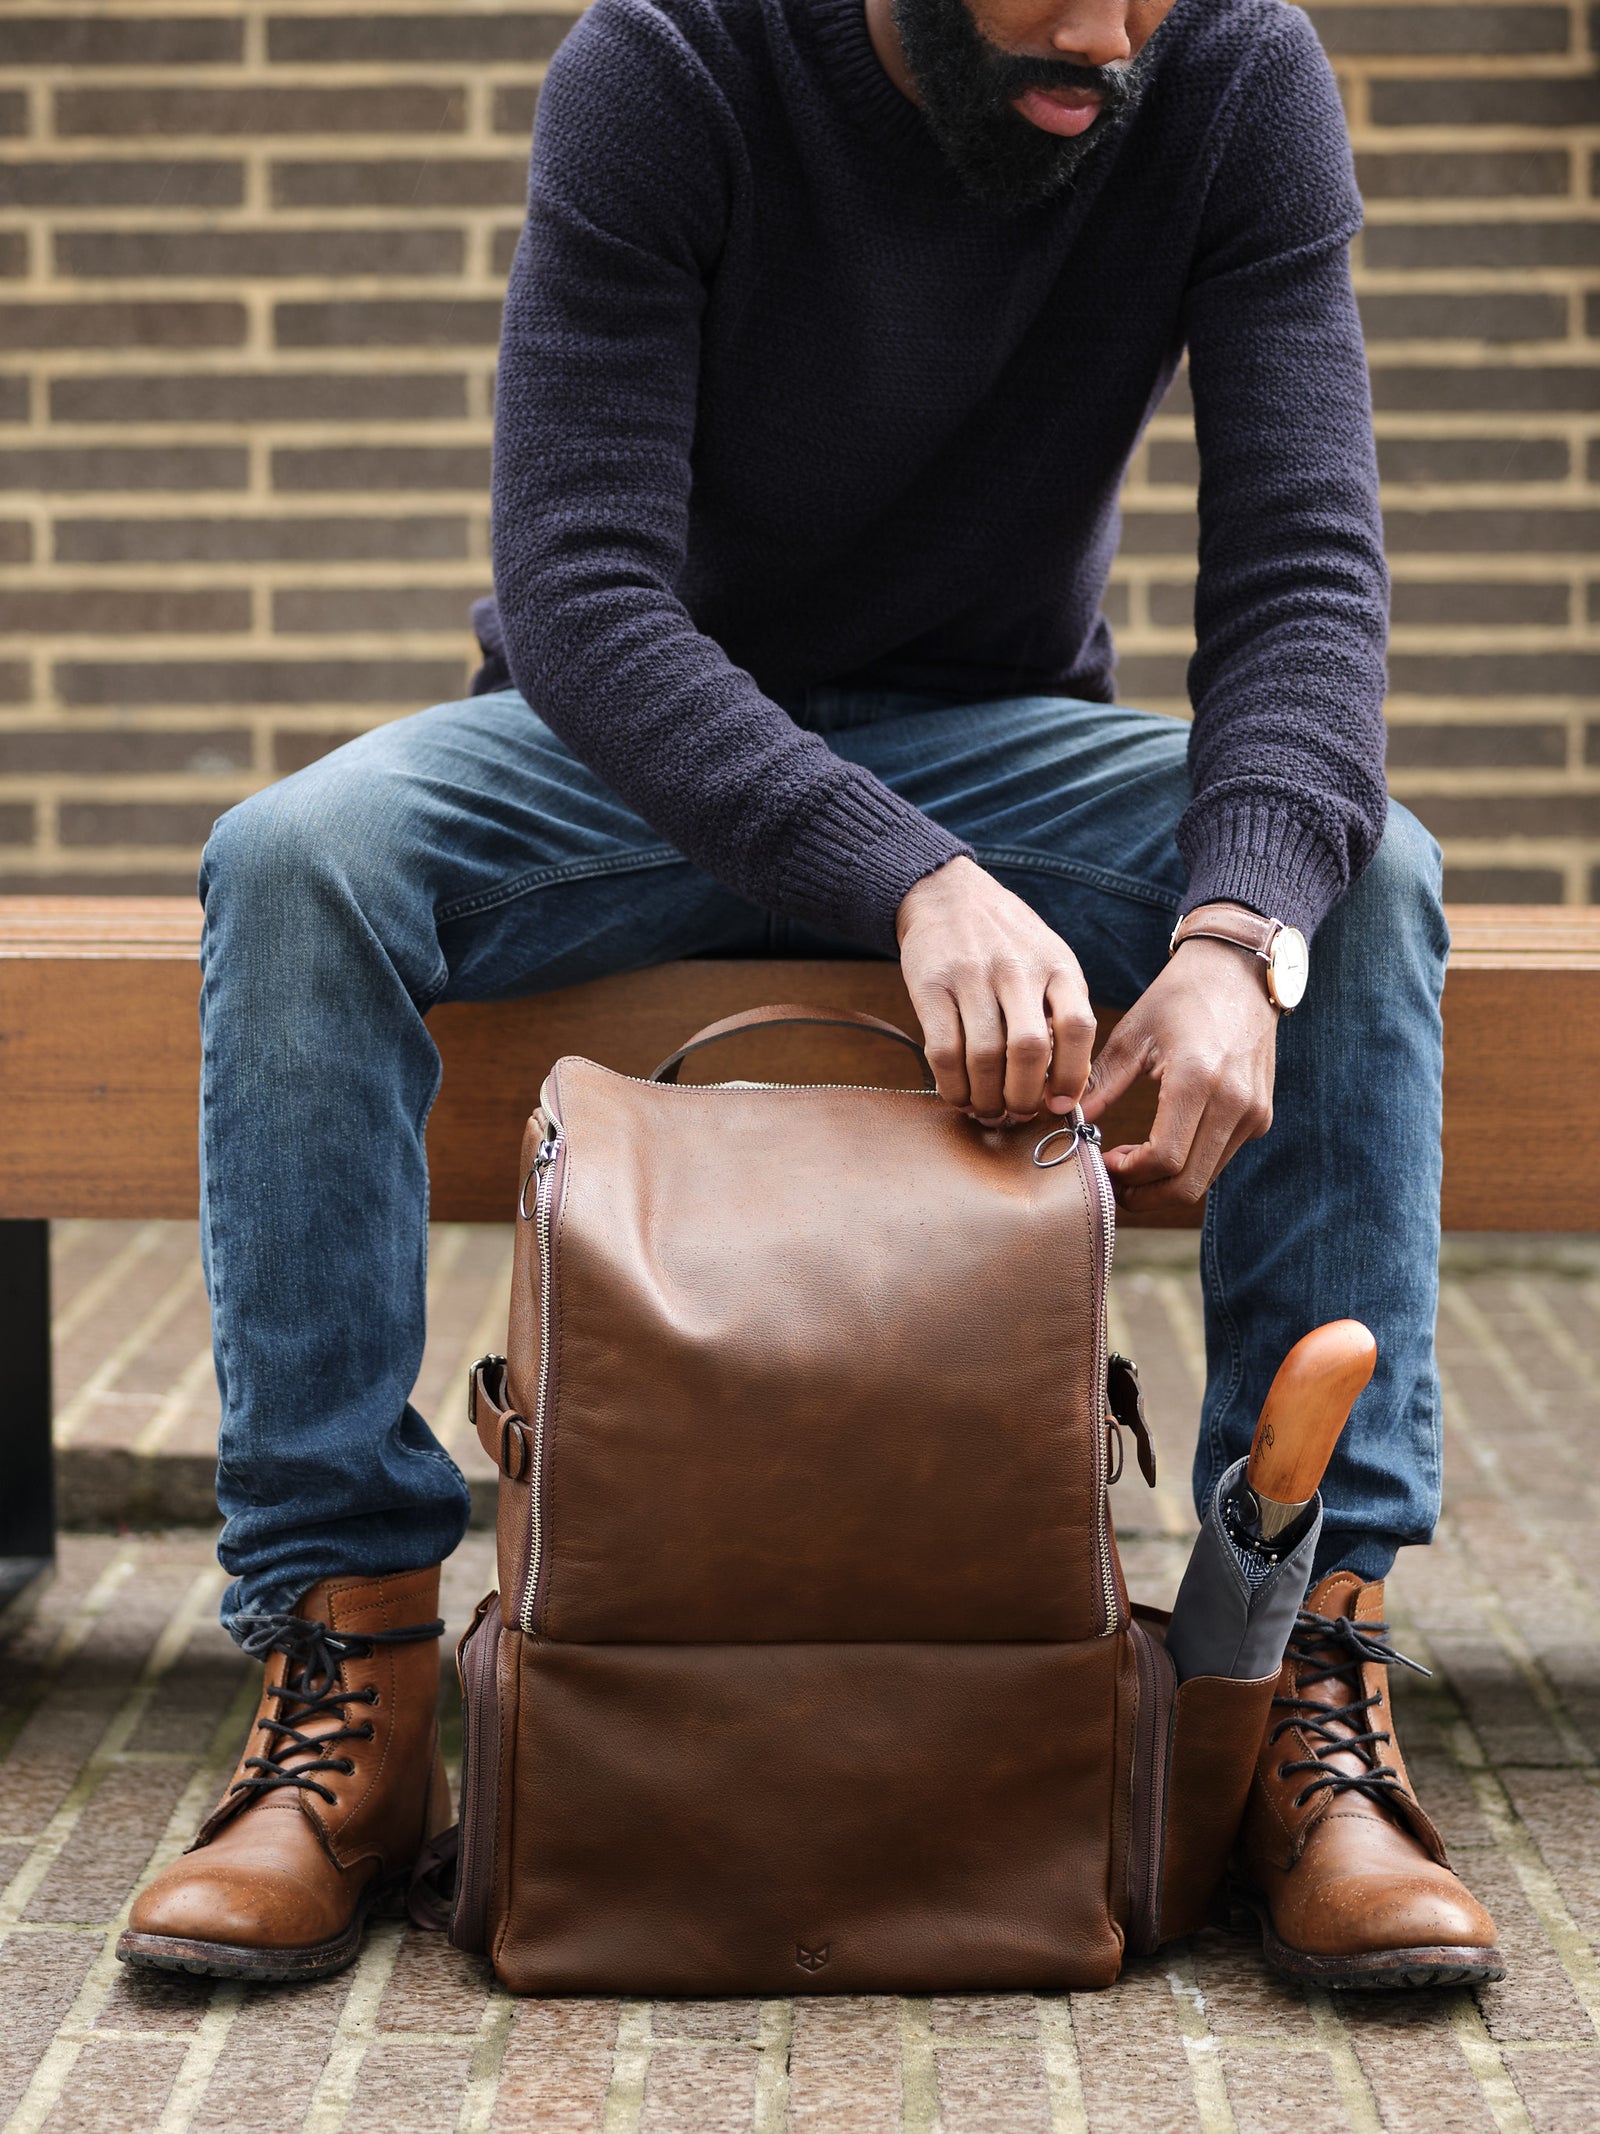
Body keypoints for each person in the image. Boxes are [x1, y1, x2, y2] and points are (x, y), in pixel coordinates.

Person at [117, 0, 1502, 1989]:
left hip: (1003, 732)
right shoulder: (664, 66)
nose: (1104, 35)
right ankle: (355, 1673)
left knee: (1357, 879)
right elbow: (582, 587)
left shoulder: (1235, 77)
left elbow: (1303, 574)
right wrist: (908, 879)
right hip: (631, 741)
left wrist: (1229, 939)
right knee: (293, 860)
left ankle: (1293, 1686)